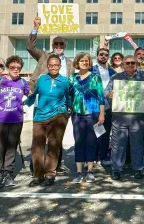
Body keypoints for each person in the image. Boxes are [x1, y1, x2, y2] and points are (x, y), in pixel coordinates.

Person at [27, 17, 73, 174]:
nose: (59, 46)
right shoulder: (43, 56)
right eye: (56, 44)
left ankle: (53, 167)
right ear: (52, 46)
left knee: (56, 140)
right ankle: (37, 169)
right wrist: (35, 28)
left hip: (60, 107)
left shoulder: (70, 63)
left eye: (61, 44)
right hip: (41, 103)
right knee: (39, 139)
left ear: (65, 47)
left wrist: (70, 105)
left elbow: (72, 87)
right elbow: (30, 46)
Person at [25, 55, 71, 187]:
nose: (53, 67)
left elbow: (69, 96)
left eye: (56, 65)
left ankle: (50, 174)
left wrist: (69, 109)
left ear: (60, 66)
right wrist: (23, 103)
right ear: (47, 66)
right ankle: (38, 175)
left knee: (53, 145)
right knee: (37, 146)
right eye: (51, 65)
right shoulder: (41, 80)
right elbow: (34, 95)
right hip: (40, 116)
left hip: (58, 116)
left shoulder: (65, 81)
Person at [106, 55, 144, 180]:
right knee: (117, 144)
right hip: (119, 117)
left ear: (137, 64)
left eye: (133, 63)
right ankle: (116, 169)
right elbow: (106, 92)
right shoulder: (115, 78)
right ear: (122, 65)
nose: (130, 65)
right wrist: (109, 95)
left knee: (137, 144)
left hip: (137, 117)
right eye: (127, 63)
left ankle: (138, 169)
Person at [0, 55, 30, 189]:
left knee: (11, 147)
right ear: (8, 67)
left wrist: (24, 103)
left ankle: (8, 173)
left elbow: (30, 96)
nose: (16, 69)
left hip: (16, 119)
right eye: (13, 67)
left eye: (18, 67)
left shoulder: (23, 82)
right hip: (0, 118)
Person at [69, 53, 105, 183]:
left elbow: (101, 97)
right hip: (77, 114)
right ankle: (79, 172)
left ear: (90, 63)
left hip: (93, 113)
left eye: (87, 61)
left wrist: (102, 114)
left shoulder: (95, 77)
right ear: (77, 62)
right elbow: (69, 96)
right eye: (82, 61)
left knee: (91, 142)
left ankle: (90, 170)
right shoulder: (72, 78)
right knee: (78, 142)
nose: (84, 63)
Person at [91, 48, 117, 166]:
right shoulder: (91, 70)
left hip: (109, 106)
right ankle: (93, 156)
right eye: (101, 54)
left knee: (105, 132)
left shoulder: (113, 72)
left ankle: (103, 156)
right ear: (97, 56)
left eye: (106, 55)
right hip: (94, 105)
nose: (103, 56)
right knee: (95, 131)